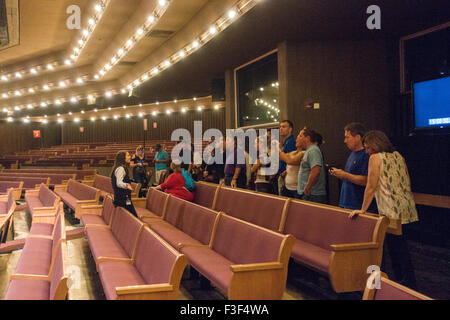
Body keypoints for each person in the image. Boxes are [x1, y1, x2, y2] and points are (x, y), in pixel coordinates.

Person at [349, 130, 419, 289]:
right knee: (401, 246)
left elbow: (371, 186)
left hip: (390, 208)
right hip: (406, 206)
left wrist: (363, 209)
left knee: (395, 248)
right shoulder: (398, 155)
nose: (366, 152)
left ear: (375, 144)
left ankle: (399, 285)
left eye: (368, 148)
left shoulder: (376, 157)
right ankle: (408, 283)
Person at [329, 123, 377, 212]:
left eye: (347, 137)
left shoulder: (366, 155)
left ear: (358, 137)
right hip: (346, 203)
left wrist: (345, 175)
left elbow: (367, 181)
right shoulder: (352, 153)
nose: (345, 141)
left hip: (358, 206)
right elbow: (351, 176)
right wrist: (341, 175)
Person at [296, 127, 327, 204]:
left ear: (307, 138)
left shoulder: (313, 150)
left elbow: (316, 170)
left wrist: (308, 187)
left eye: (300, 136)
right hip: (310, 194)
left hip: (313, 195)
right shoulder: (309, 150)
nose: (297, 138)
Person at [111, 150, 137, 217]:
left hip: (122, 198)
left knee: (132, 216)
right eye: (128, 155)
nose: (129, 157)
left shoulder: (120, 167)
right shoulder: (121, 168)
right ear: (123, 158)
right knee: (134, 217)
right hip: (122, 199)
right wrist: (127, 185)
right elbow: (118, 183)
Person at [279, 132, 305, 198]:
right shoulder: (293, 152)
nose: (296, 140)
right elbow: (281, 157)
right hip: (287, 187)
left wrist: (280, 150)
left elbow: (290, 161)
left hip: (297, 189)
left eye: (299, 137)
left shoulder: (304, 153)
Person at [278, 120, 297, 195]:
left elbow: (291, 160)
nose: (281, 129)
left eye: (284, 126)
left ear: (290, 129)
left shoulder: (291, 142)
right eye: (280, 127)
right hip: (284, 178)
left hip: (288, 178)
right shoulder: (285, 142)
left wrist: (285, 172)